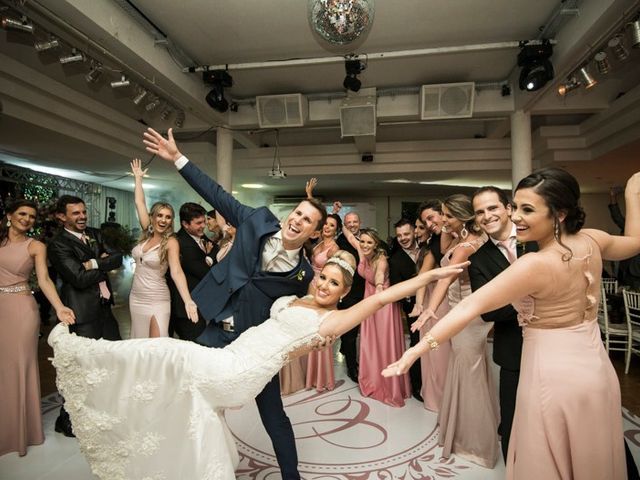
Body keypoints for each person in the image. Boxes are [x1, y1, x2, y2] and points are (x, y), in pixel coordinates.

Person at [48, 250, 466, 479]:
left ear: (344, 293)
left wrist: (431, 277)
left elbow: (380, 299)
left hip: (239, 373)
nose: (323, 285)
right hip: (232, 356)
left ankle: (84, 356)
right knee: (168, 370)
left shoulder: (333, 319)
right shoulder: (298, 296)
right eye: (323, 278)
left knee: (166, 352)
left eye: (334, 284)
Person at [385, 168, 640, 480]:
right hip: (596, 370)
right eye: (516, 207)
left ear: (559, 213)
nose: (516, 217)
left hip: (551, 375)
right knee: (594, 449)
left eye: (527, 210)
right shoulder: (591, 240)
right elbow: (635, 241)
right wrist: (632, 195)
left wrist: (419, 349)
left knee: (547, 455)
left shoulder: (534, 263)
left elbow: (469, 306)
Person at [143, 127, 326, 480]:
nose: (297, 220)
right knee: (188, 394)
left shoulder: (302, 274)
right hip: (215, 331)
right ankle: (185, 465)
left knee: (274, 416)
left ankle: (293, 477)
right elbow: (214, 191)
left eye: (307, 220)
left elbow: (304, 313)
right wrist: (177, 158)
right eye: (297, 213)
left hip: (254, 347)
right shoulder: (256, 219)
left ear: (314, 232)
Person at [411, 194, 498, 468]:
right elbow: (442, 247)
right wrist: (447, 228)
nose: (442, 220)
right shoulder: (459, 238)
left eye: (447, 215)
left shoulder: (466, 247)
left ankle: (473, 442)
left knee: (467, 371)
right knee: (466, 368)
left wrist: (429, 309)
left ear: (462, 215)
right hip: (462, 310)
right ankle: (466, 427)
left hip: (466, 315)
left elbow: (445, 279)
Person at [0, 199, 75, 457]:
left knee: (19, 367)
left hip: (21, 310)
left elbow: (44, 280)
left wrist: (59, 307)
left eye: (31, 216)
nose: (27, 219)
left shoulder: (36, 246)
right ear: (9, 215)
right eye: (22, 214)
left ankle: (22, 432)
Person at [467, 186, 537, 461]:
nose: (487, 216)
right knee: (512, 419)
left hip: (556, 343)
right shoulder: (479, 259)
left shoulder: (537, 238)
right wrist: (529, 301)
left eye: (492, 208)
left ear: (508, 208)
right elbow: (488, 311)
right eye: (480, 212)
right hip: (513, 351)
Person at [48, 195, 123, 438]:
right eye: (75, 213)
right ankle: (67, 419)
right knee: (83, 366)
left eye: (83, 212)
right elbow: (78, 279)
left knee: (112, 359)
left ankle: (102, 411)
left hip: (104, 307)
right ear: (62, 217)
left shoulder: (95, 233)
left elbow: (118, 258)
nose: (82, 217)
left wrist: (90, 264)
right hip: (82, 311)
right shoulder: (58, 244)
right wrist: (100, 264)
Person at [129, 159, 198, 338]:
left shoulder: (171, 242)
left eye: (168, 217)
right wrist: (138, 179)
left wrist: (188, 301)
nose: (163, 220)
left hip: (157, 299)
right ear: (152, 217)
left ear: (171, 221)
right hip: (136, 297)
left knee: (156, 345)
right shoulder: (146, 233)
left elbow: (176, 272)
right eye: (159, 215)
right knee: (139, 345)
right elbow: (139, 203)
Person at [343, 226, 411, 406]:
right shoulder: (362, 252)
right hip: (369, 302)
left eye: (369, 242)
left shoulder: (381, 259)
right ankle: (372, 380)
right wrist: (338, 216)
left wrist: (379, 287)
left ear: (376, 244)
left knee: (383, 344)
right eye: (363, 241)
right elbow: (350, 236)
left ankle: (389, 386)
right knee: (370, 343)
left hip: (383, 306)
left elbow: (380, 275)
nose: (364, 245)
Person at [411, 199, 452, 412]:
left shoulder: (445, 242)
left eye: (429, 219)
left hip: (443, 303)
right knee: (435, 349)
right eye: (422, 223)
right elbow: (422, 278)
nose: (425, 226)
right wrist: (419, 305)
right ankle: (439, 396)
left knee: (440, 349)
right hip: (435, 304)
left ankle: (445, 395)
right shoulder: (432, 248)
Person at [167, 202, 214, 341]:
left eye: (204, 221)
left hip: (197, 303)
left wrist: (208, 256)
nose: (203, 226)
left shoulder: (197, 235)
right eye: (198, 223)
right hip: (185, 308)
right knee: (194, 346)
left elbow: (215, 248)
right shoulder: (182, 243)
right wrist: (209, 258)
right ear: (185, 224)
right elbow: (205, 272)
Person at [306, 212, 342, 392]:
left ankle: (322, 378)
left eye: (332, 226)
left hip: (322, 289)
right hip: (310, 287)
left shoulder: (334, 248)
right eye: (326, 224)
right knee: (310, 330)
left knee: (321, 330)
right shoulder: (319, 243)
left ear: (337, 230)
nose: (327, 227)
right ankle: (310, 375)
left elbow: (334, 273)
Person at [388, 218, 422, 400]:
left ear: (414, 232)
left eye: (406, 234)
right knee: (417, 343)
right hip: (413, 309)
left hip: (436, 304)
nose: (403, 238)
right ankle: (417, 385)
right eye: (399, 235)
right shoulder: (395, 260)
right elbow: (397, 289)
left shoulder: (426, 248)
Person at [335, 210, 365, 381]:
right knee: (350, 332)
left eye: (355, 222)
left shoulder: (367, 237)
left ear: (359, 223)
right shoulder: (341, 241)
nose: (352, 225)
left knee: (366, 332)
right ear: (345, 225)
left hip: (366, 290)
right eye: (349, 223)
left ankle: (354, 354)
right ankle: (352, 367)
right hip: (349, 293)